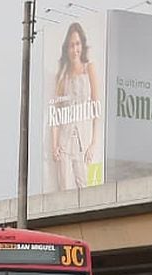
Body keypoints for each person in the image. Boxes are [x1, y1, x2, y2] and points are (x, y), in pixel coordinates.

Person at [50, 22, 101, 190]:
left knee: (85, 187)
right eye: (71, 45)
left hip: (84, 141)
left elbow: (96, 107)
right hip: (64, 141)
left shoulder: (89, 68)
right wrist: (54, 144)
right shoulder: (62, 76)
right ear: (67, 48)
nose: (75, 49)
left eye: (77, 44)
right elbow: (55, 112)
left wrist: (94, 142)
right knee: (64, 188)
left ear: (82, 45)